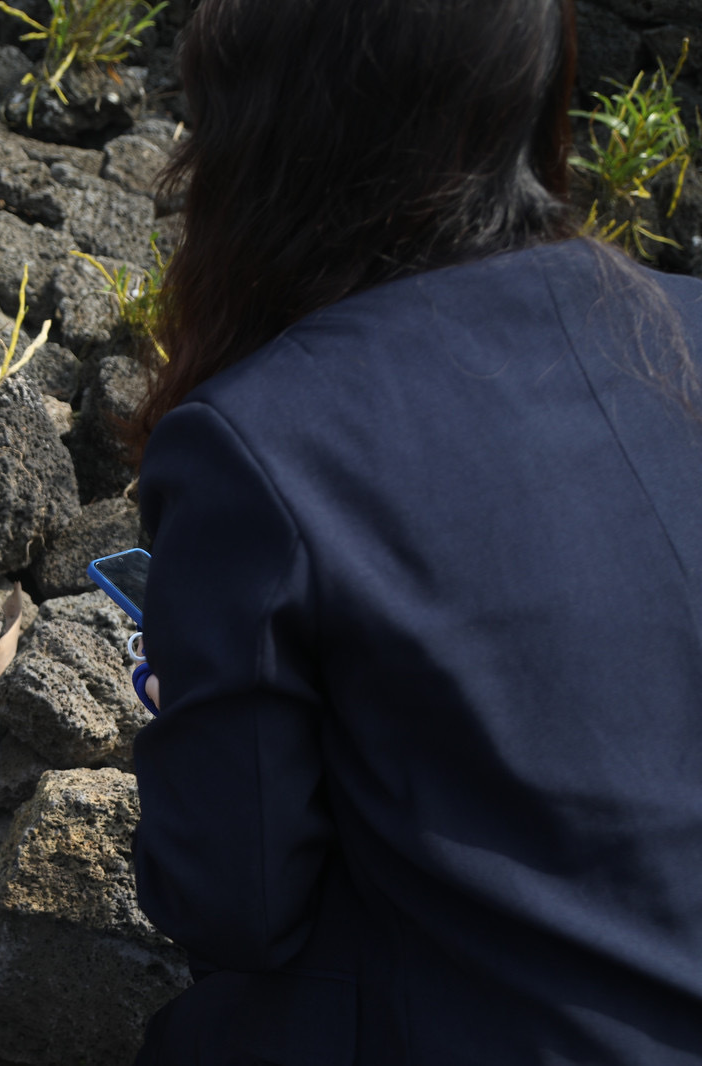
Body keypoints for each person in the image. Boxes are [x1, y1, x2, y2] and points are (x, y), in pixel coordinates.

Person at [130, 1, 702, 1063]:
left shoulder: (261, 439)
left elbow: (226, 902)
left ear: (266, 131)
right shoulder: (684, 317)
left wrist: (183, 709)